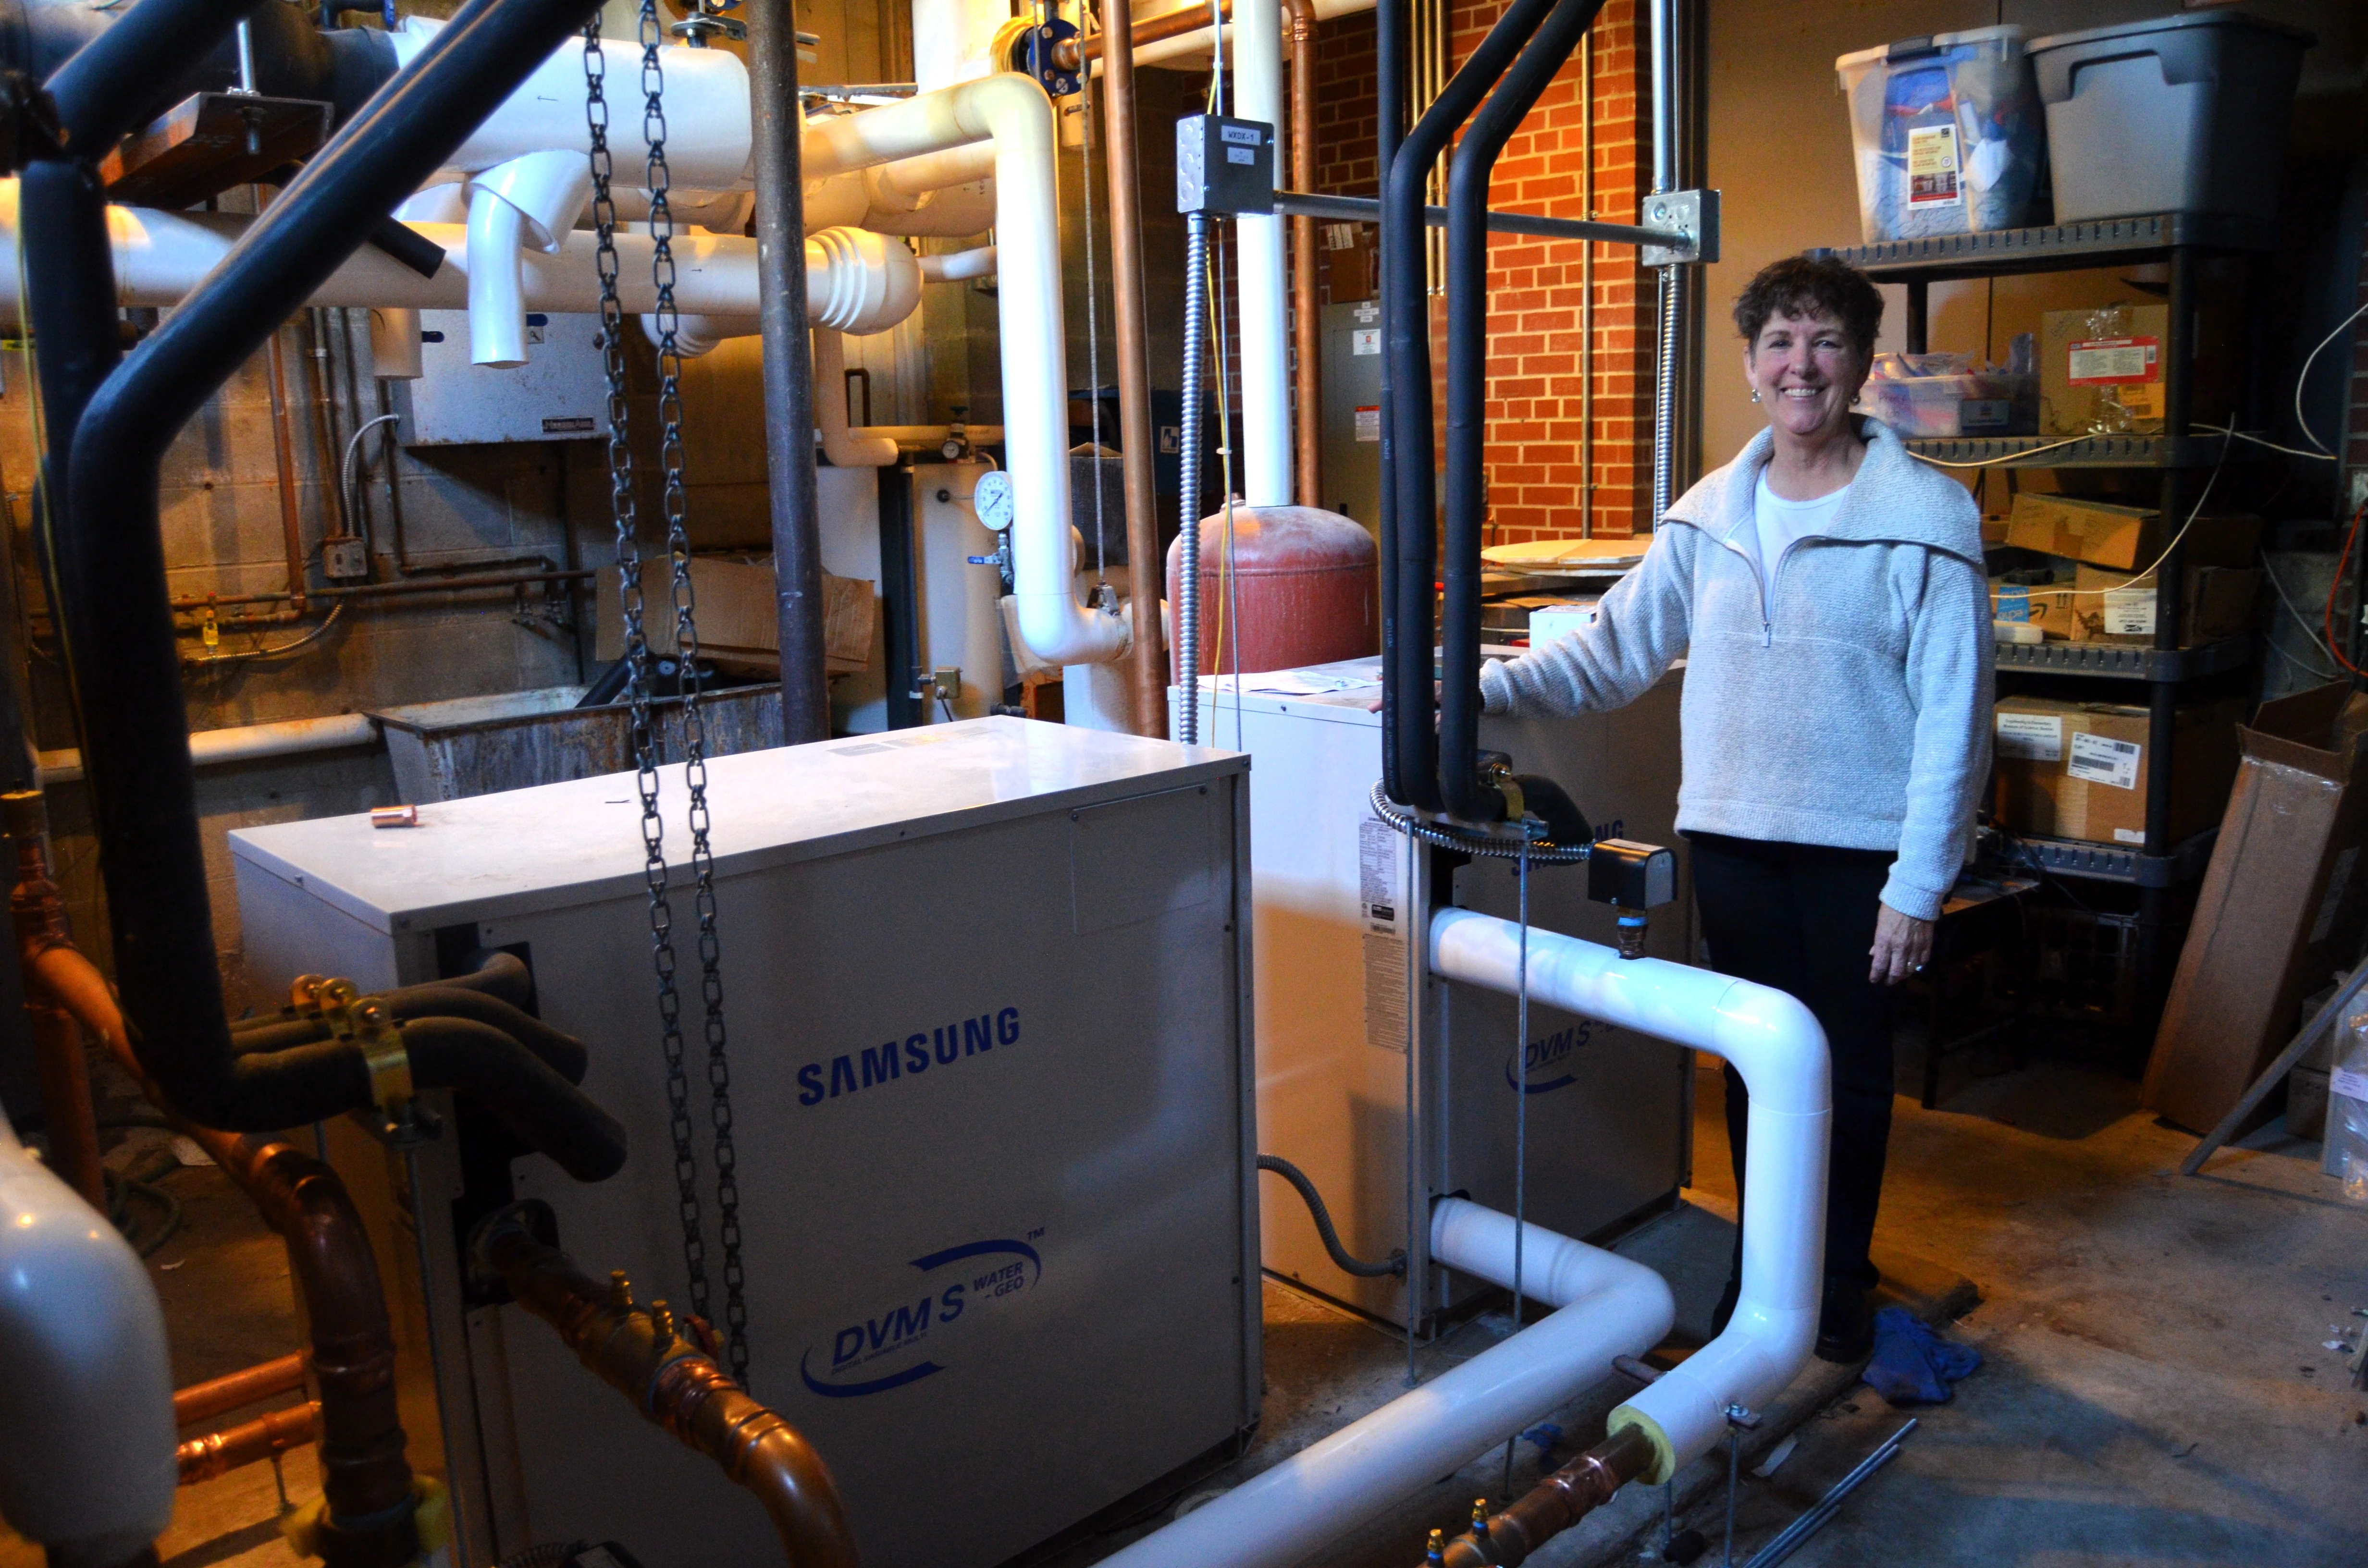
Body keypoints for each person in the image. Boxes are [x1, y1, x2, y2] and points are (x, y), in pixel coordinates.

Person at [1477, 254, 1992, 1360]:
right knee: (1756, 1070)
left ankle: (1835, 1285)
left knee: (1849, 1079)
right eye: (1778, 343)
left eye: (1824, 342)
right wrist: (1476, 688)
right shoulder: (1709, 515)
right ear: (1750, 364)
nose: (1800, 366)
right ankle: (1768, 1283)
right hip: (1733, 840)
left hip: (1860, 856)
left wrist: (1918, 884)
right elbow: (1612, 652)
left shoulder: (1927, 518)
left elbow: (1956, 719)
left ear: (1858, 362)